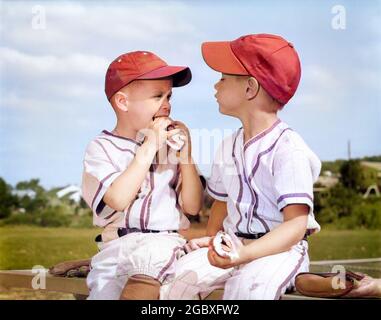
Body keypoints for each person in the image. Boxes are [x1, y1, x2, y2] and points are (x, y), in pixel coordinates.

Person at [161, 34, 322, 300]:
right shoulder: (227, 146)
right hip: (234, 243)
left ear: (250, 88)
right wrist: (214, 242)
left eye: (223, 78)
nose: (215, 85)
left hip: (278, 251)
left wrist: (244, 254)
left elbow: (295, 225)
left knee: (248, 289)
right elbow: (221, 206)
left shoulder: (288, 148)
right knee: (179, 280)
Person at [81, 51, 203, 299]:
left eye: (169, 96)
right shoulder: (101, 147)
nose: (167, 104)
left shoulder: (173, 149)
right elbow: (117, 199)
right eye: (157, 96)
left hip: (161, 245)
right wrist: (149, 147)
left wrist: (187, 156)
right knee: (103, 293)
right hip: (115, 248)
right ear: (123, 103)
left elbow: (192, 206)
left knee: (145, 282)